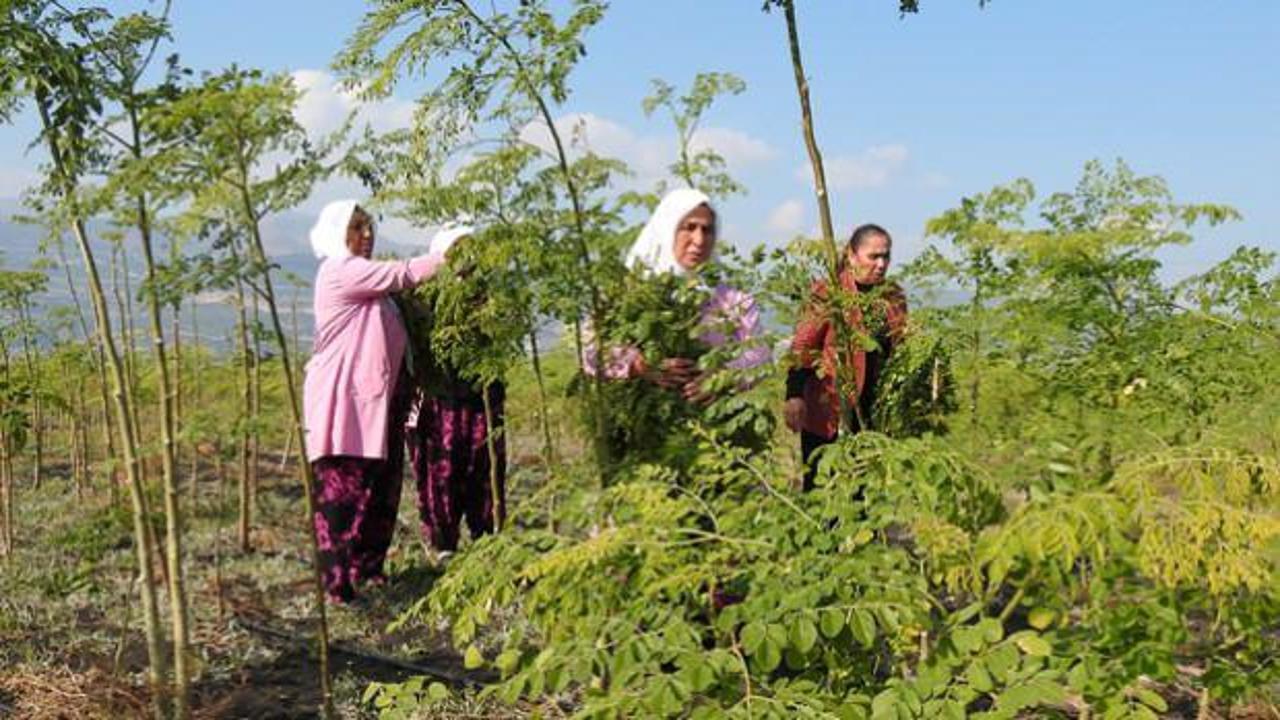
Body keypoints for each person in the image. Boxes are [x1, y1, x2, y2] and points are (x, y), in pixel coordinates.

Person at [302, 200, 460, 603]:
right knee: (344, 489)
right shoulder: (340, 271)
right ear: (339, 235)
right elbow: (403, 273)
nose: (366, 235)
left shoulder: (374, 289)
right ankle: (337, 584)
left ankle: (368, 569)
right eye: (357, 228)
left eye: (369, 227)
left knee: (379, 489)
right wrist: (449, 257)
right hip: (346, 405)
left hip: (378, 405)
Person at [584, 188, 771, 467]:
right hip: (644, 439)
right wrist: (639, 365)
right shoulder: (628, 294)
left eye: (707, 230)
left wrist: (721, 377)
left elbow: (761, 355)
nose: (698, 240)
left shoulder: (733, 300)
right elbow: (590, 352)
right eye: (689, 228)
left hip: (718, 441)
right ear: (667, 229)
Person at [402, 223, 506, 557]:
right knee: (435, 469)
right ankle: (442, 542)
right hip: (431, 400)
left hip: (479, 399)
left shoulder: (489, 297)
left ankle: (486, 539)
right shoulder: (421, 296)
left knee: (483, 467)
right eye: (456, 250)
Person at [785, 223, 908, 491]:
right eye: (873, 256)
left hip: (873, 414)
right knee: (824, 489)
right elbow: (804, 346)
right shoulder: (830, 292)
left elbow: (900, 347)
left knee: (865, 492)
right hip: (829, 410)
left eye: (885, 256)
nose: (881, 263)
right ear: (852, 256)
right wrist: (793, 394)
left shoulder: (893, 296)